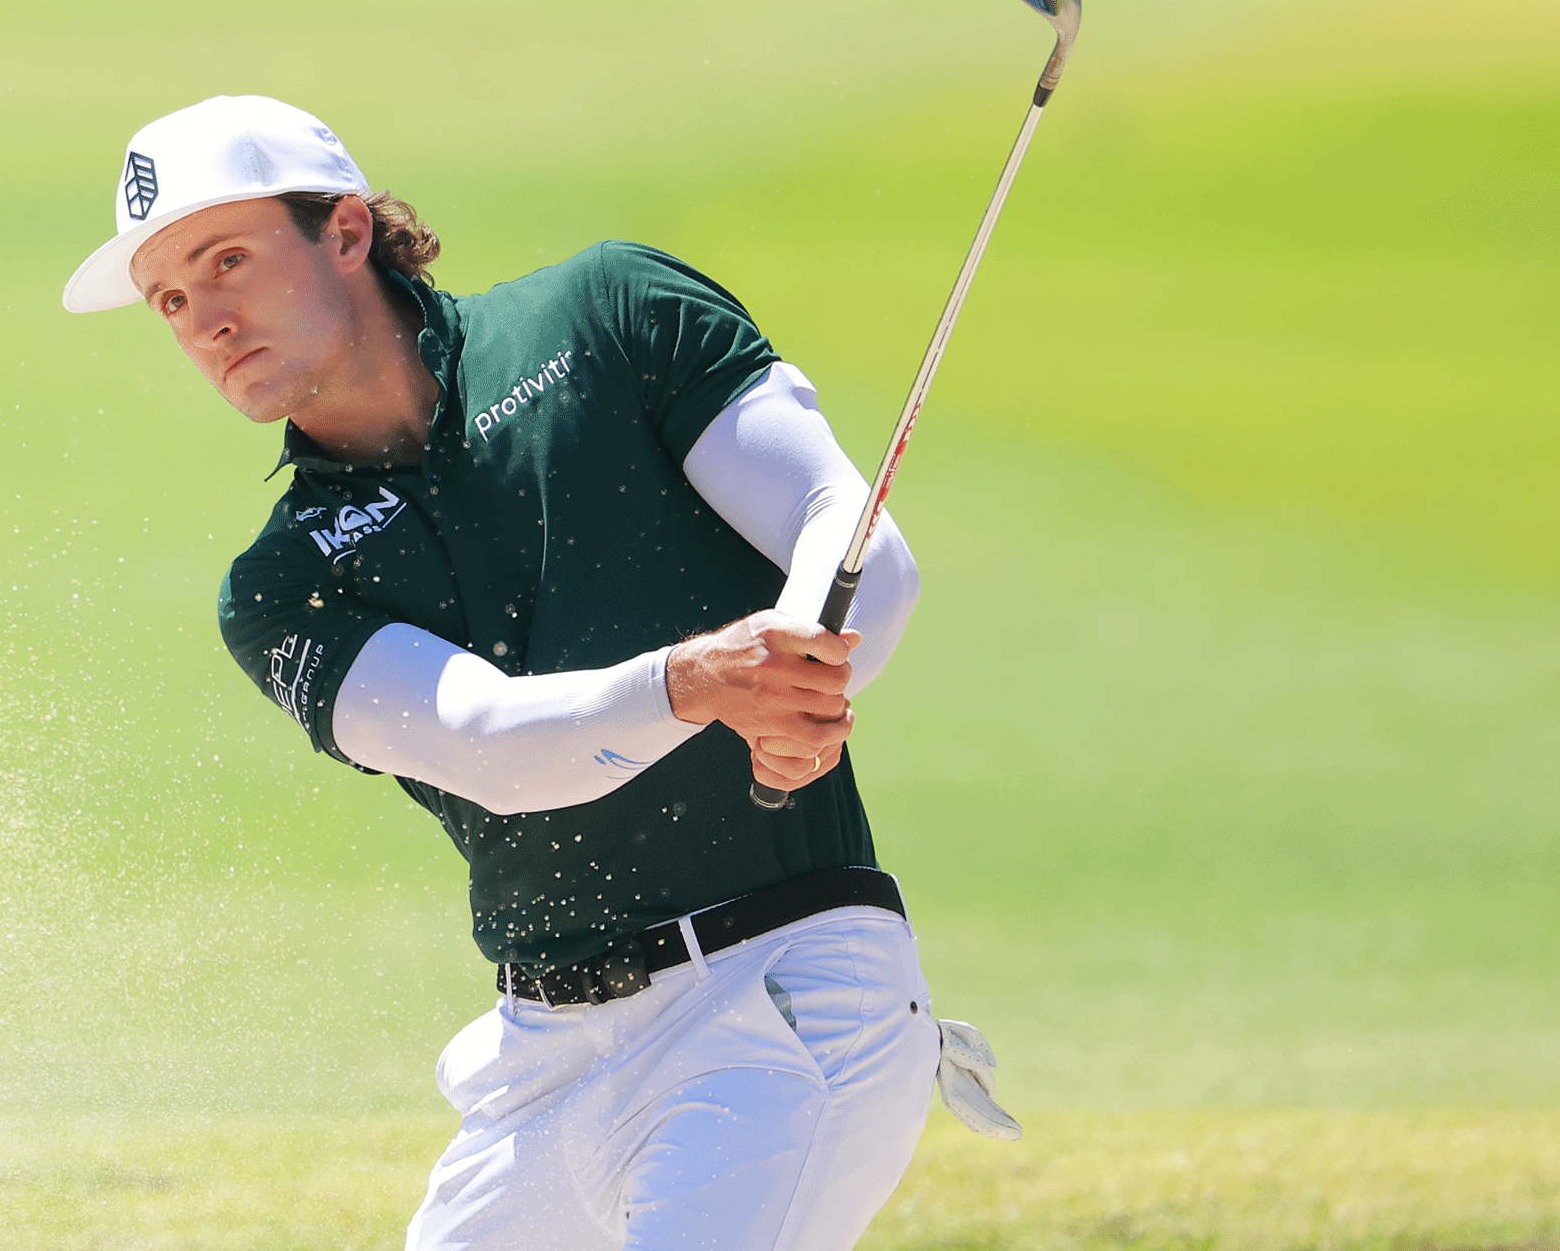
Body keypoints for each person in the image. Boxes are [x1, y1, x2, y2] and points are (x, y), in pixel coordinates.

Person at [62, 94, 1016, 1251]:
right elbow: (493, 748)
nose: (204, 319)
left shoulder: (609, 312)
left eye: (229, 260)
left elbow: (846, 526)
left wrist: (801, 676)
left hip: (779, 990)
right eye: (170, 299)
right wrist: (701, 682)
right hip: (544, 1059)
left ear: (348, 231)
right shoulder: (278, 588)